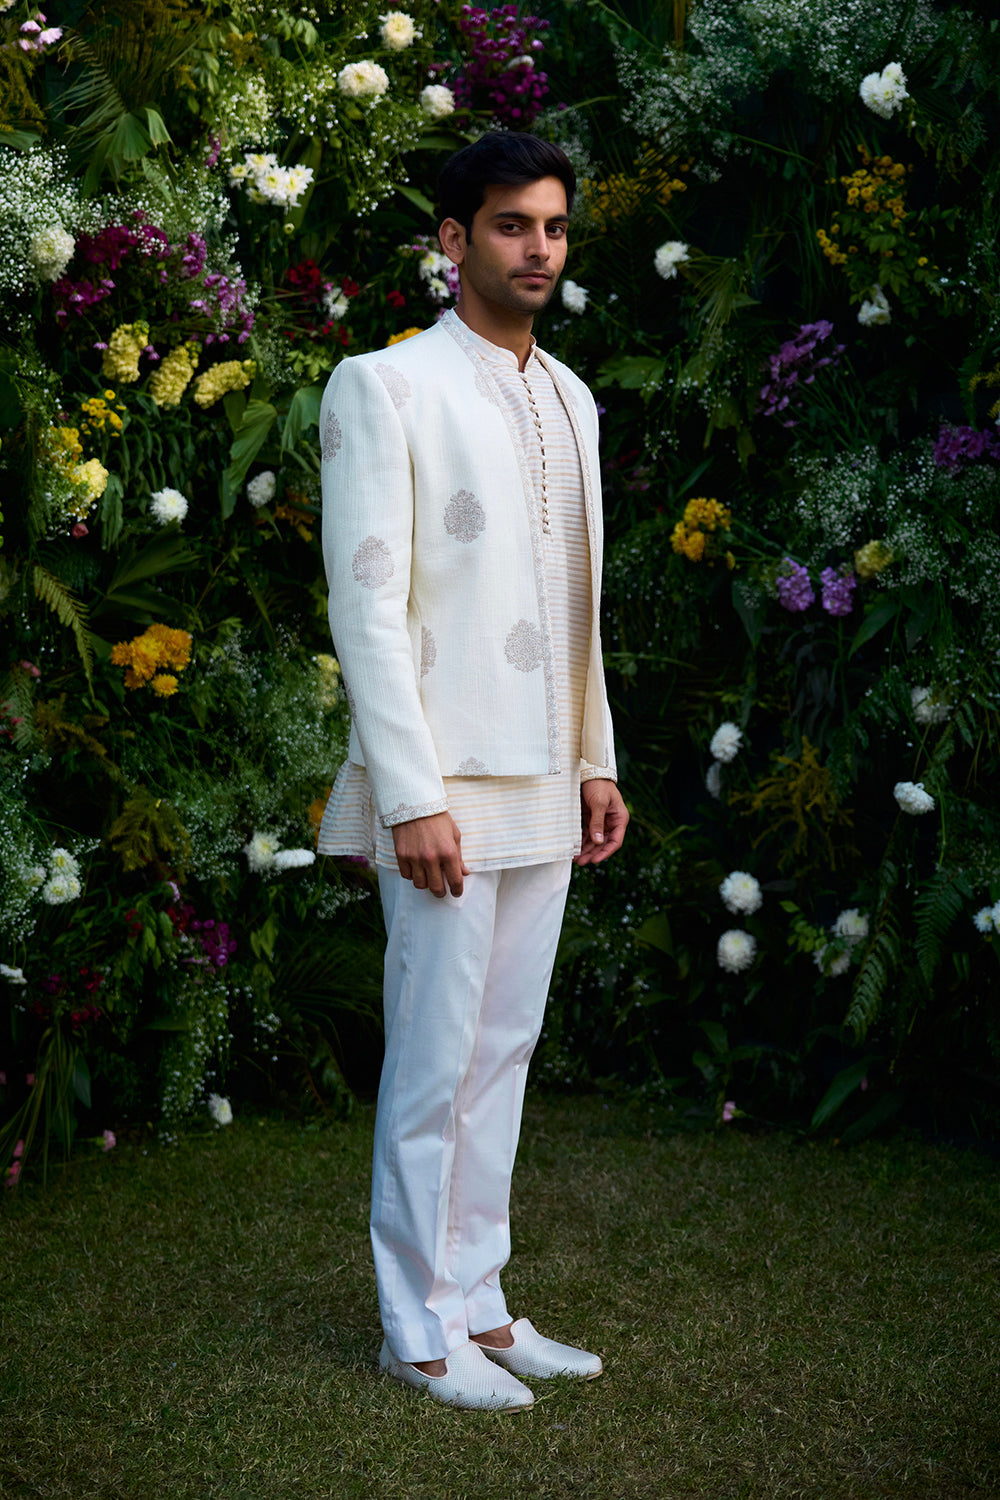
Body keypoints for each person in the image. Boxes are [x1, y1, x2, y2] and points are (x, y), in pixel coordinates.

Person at [317, 131, 629, 1412]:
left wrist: (597, 760)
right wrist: (411, 795)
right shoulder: (381, 387)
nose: (537, 248)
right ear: (454, 242)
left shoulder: (572, 397)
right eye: (510, 225)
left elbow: (579, 603)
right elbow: (366, 605)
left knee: (503, 1048)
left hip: (548, 778)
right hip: (443, 780)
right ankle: (414, 1326)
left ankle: (480, 1302)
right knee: (436, 1054)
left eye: (552, 226)